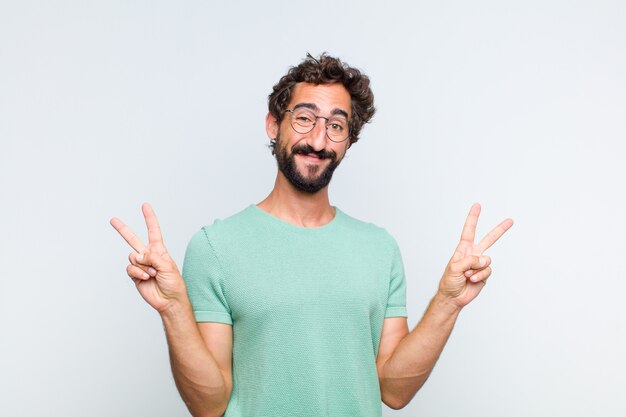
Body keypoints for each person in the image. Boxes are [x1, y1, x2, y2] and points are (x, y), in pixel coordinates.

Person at [111, 54, 513, 417]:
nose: (318, 141)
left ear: (349, 142)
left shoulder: (380, 249)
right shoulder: (216, 247)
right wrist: (174, 310)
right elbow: (209, 404)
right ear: (274, 124)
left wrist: (447, 303)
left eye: (336, 126)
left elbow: (394, 390)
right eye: (304, 118)